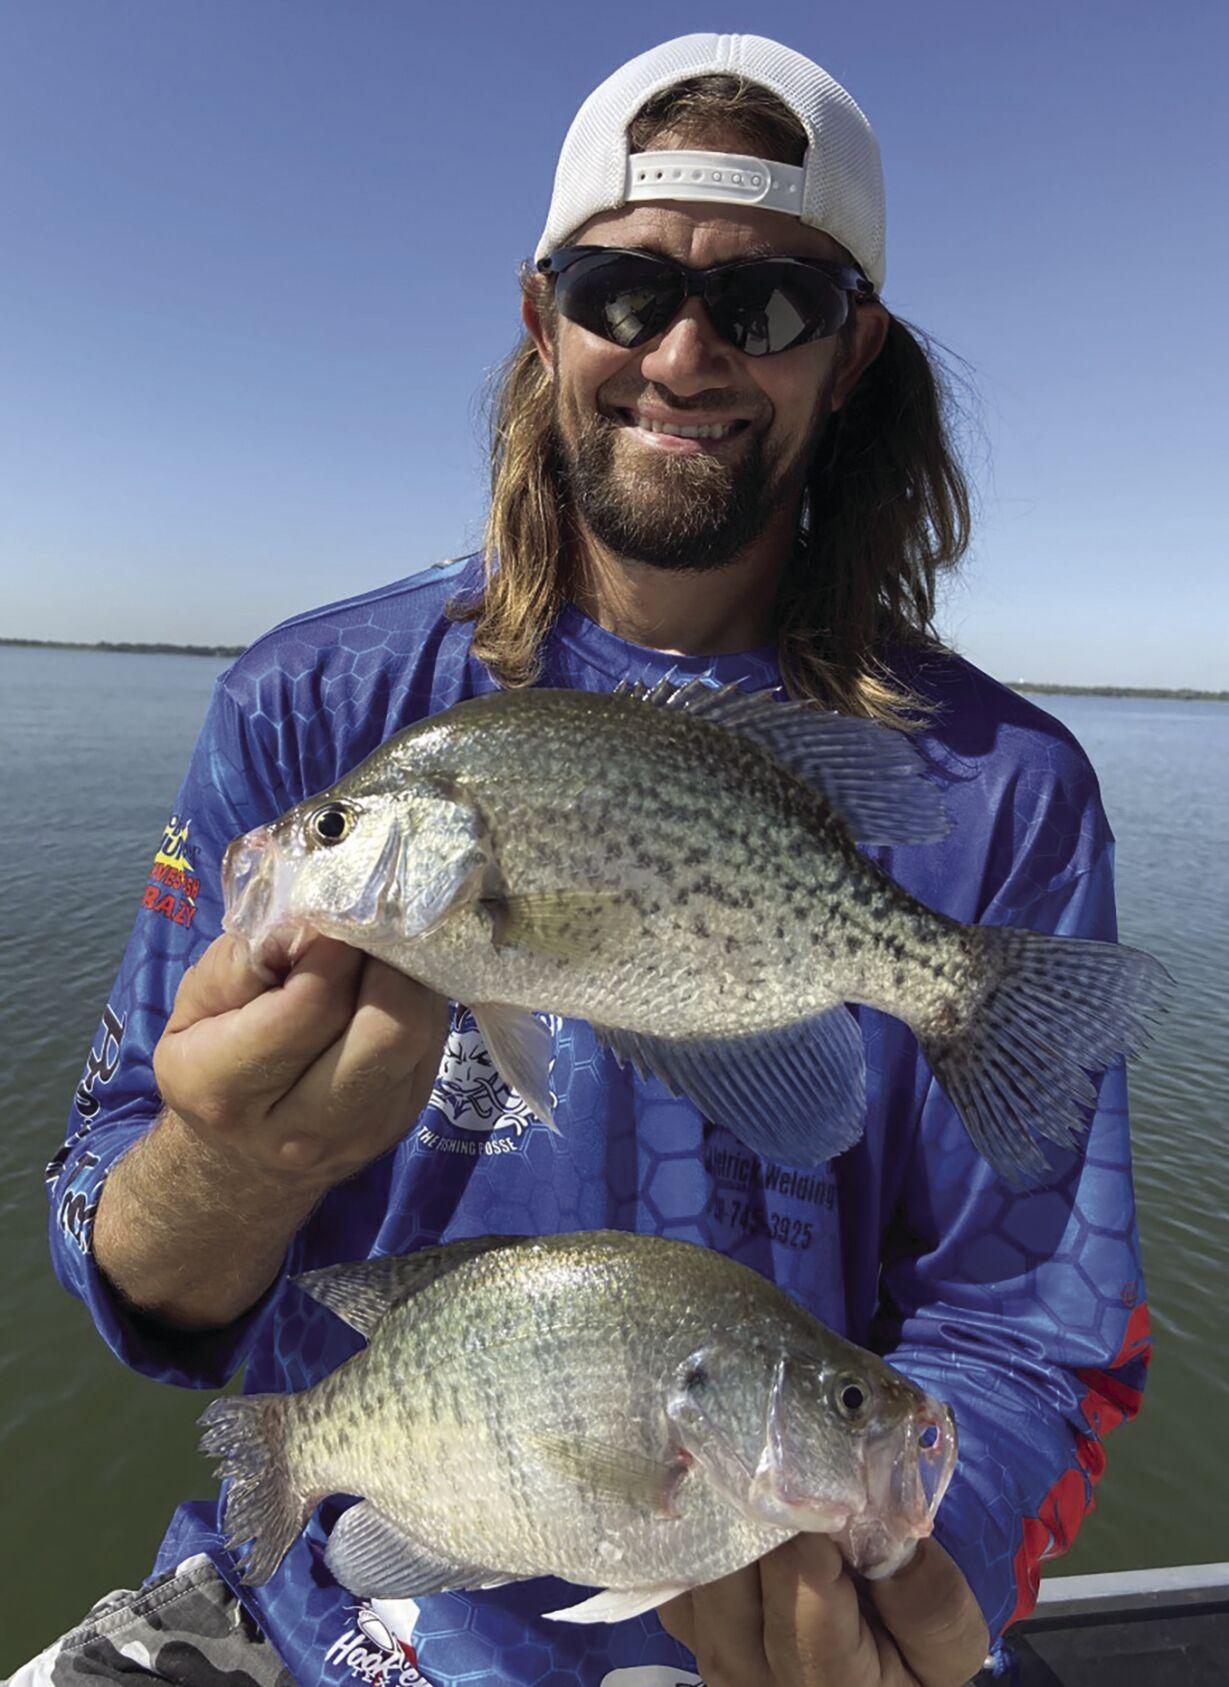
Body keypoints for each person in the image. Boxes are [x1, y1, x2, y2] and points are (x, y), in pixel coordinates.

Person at [21, 32, 1150, 1687]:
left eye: (766, 302)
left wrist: (918, 1571)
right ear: (542, 319)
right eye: (623, 290)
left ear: (850, 355)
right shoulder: (312, 702)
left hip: (767, 1584)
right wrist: (235, 1160)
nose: (684, 353)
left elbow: (1034, 1324)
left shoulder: (1005, 792)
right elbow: (114, 1238)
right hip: (335, 1604)